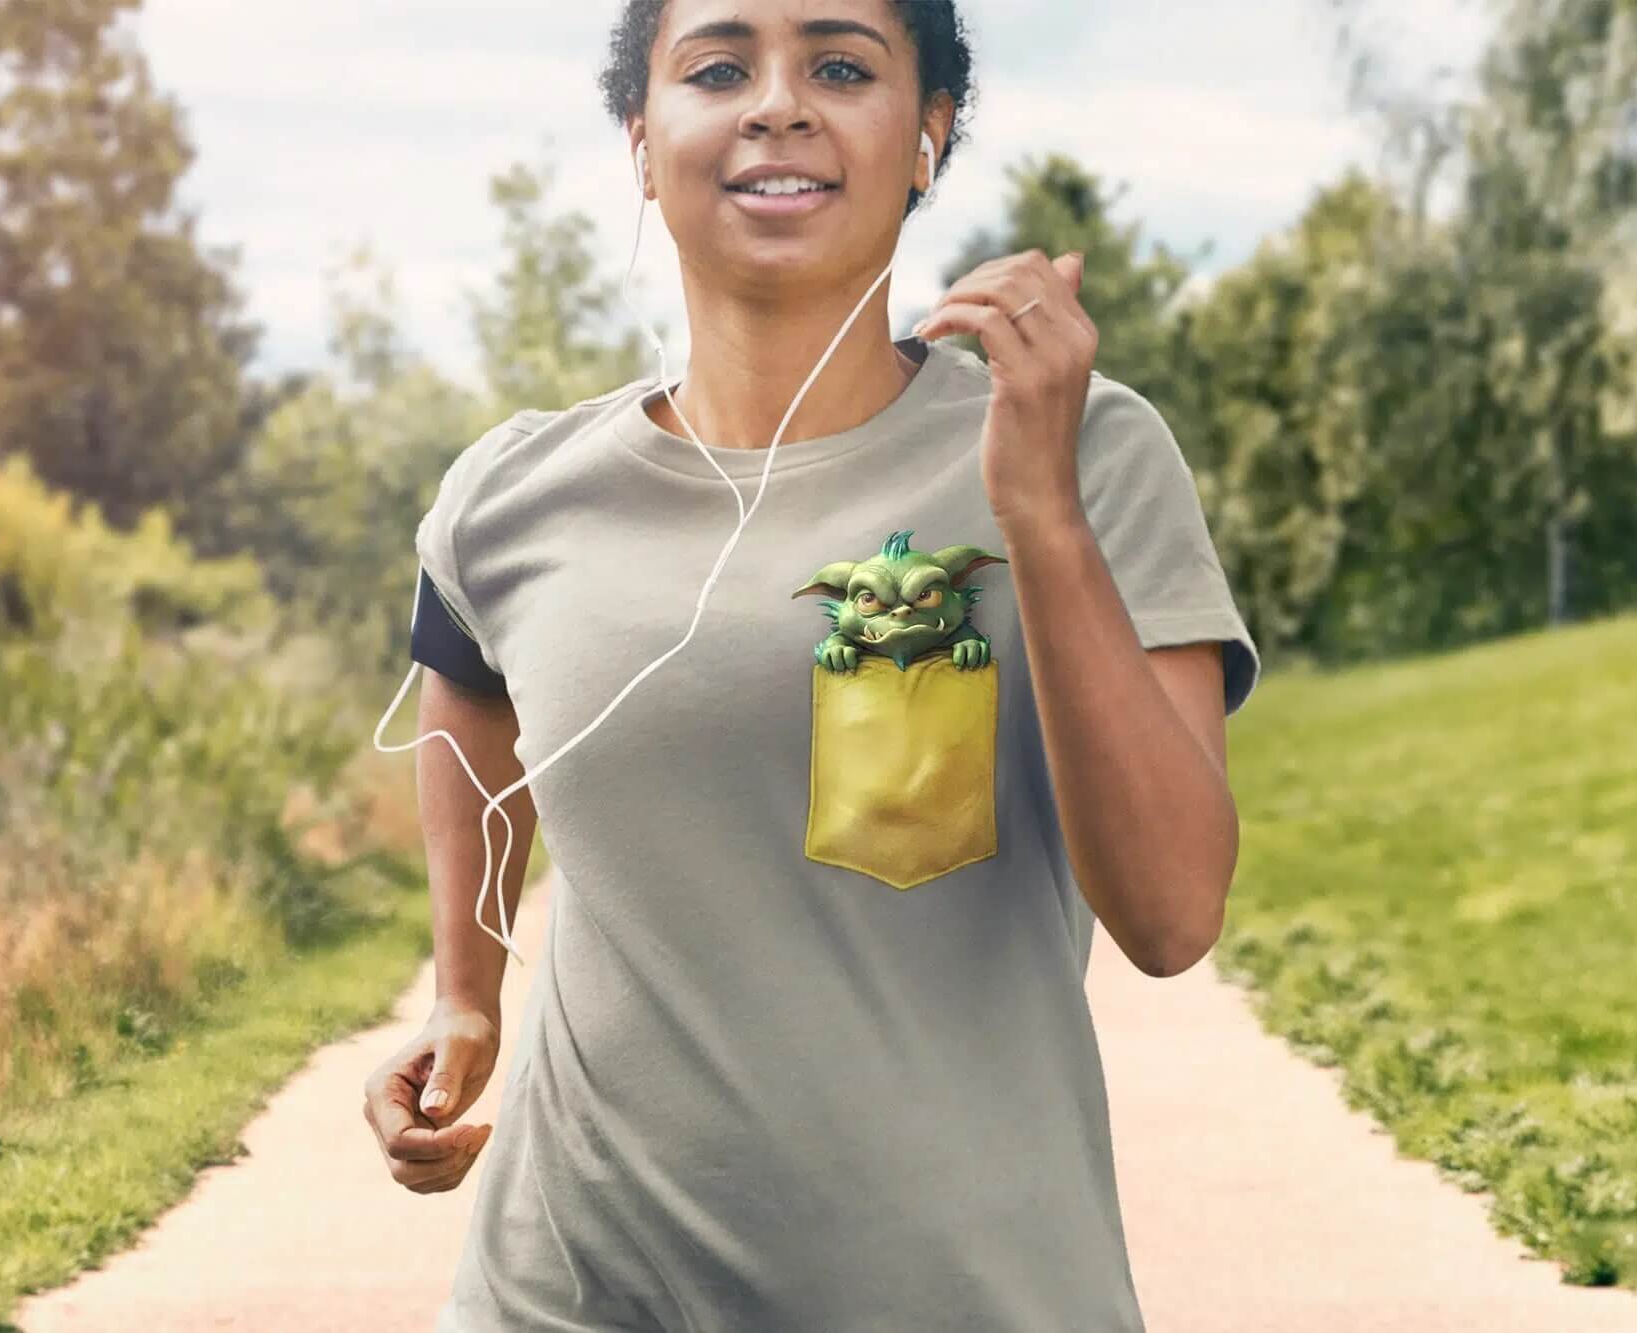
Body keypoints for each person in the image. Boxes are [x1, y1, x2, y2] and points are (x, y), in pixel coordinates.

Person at [361, 0, 1261, 1327]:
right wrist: (467, 994)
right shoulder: (515, 493)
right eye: (718, 68)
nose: (777, 103)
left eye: (841, 66)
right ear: (642, 138)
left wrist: (1040, 517)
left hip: (963, 1294)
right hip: (571, 1286)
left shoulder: (1090, 451)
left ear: (927, 138)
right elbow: (468, 693)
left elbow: (1174, 915)